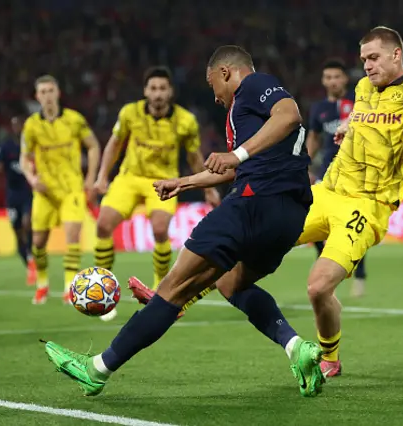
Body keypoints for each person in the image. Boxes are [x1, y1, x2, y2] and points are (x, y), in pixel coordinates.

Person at [127, 26, 403, 380]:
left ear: (396, 55)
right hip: (326, 193)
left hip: (367, 206)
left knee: (317, 286)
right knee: (245, 238)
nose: (367, 65)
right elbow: (365, 119)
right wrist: (350, 129)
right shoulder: (363, 90)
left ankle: (329, 354)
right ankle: (177, 299)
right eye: (364, 59)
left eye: (373, 57)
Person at [42, 46, 326, 398]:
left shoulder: (254, 86)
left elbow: (289, 115)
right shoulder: (249, 120)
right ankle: (296, 347)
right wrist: (185, 182)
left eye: (213, 87)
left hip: (252, 204)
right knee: (230, 284)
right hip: (289, 216)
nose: (216, 97)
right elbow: (238, 167)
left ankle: (97, 368)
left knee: (171, 290)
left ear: (225, 72)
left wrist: (235, 153)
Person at [93, 66, 220, 322]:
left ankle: (159, 291)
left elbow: (194, 157)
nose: (158, 93)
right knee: (103, 224)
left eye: (163, 88)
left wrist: (208, 188)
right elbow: (114, 145)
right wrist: (102, 176)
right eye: (153, 88)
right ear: (145, 91)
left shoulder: (185, 121)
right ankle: (102, 290)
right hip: (130, 177)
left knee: (160, 229)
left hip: (163, 180)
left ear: (170, 91)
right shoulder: (130, 113)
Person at [19, 75, 101, 305]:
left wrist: (91, 176)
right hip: (44, 191)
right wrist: (32, 178)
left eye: (50, 90)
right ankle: (43, 284)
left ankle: (69, 287)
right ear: (37, 97)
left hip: (71, 188)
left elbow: (93, 145)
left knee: (73, 236)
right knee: (38, 242)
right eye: (42, 92)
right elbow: (24, 158)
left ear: (58, 93)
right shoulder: (31, 125)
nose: (47, 95)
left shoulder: (74, 120)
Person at [306, 59, 367, 299]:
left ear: (344, 79)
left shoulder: (358, 103)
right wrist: (306, 166)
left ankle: (359, 274)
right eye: (328, 77)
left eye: (336, 77)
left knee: (352, 226)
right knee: (320, 228)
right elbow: (313, 137)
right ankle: (326, 273)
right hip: (327, 175)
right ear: (323, 81)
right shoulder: (318, 108)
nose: (332, 81)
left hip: (356, 174)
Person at [0, 115, 36, 285]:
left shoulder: (31, 146)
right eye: (14, 125)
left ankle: (32, 256)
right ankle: (29, 265)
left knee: (27, 222)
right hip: (12, 195)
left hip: (28, 192)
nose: (17, 128)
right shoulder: (5, 147)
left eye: (19, 124)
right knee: (17, 233)